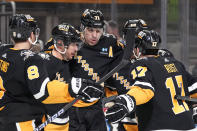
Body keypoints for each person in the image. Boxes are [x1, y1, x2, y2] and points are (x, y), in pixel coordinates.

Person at [0, 14, 103, 131]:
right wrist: (73, 88)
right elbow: (42, 91)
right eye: (74, 44)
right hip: (24, 121)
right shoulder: (35, 59)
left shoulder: (5, 52)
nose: (76, 49)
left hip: (7, 116)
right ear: (31, 34)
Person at [104, 29, 197, 131]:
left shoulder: (141, 64)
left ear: (138, 49)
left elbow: (145, 90)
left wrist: (127, 101)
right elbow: (193, 88)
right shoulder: (175, 63)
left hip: (161, 126)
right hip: (188, 126)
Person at [68, 9, 124, 131]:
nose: (94, 35)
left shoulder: (110, 42)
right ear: (82, 28)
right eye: (90, 30)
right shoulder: (71, 40)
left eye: (98, 31)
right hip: (71, 106)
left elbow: (127, 55)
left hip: (96, 106)